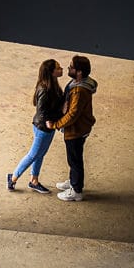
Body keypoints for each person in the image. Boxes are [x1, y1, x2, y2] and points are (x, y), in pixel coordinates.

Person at [7, 59, 64, 193]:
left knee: (40, 154)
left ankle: (34, 180)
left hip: (47, 127)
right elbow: (42, 111)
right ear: (51, 72)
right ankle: (13, 177)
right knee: (33, 155)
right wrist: (54, 119)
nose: (62, 69)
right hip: (43, 128)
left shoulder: (53, 84)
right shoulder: (45, 89)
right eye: (58, 68)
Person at [53, 55, 98, 202]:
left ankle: (76, 190)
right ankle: (73, 181)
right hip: (80, 128)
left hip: (76, 131)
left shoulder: (79, 91)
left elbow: (73, 114)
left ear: (79, 72)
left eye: (71, 67)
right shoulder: (78, 83)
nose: (68, 68)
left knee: (75, 160)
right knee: (73, 159)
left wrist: (56, 124)